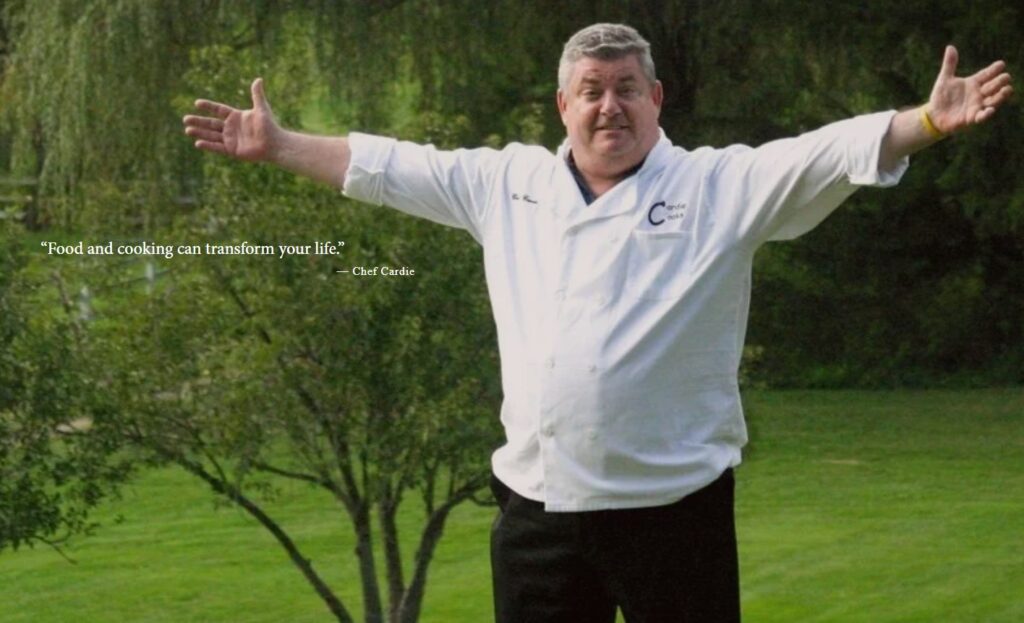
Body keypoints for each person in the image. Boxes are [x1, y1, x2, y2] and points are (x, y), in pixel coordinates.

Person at [183, 23, 1012, 623]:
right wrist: (282, 143)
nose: (608, 106)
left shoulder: (718, 187)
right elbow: (388, 165)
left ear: (655, 98)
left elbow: (827, 151)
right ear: (563, 105)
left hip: (672, 513)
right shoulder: (504, 184)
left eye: (625, 89)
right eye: (592, 90)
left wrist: (928, 121)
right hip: (536, 515)